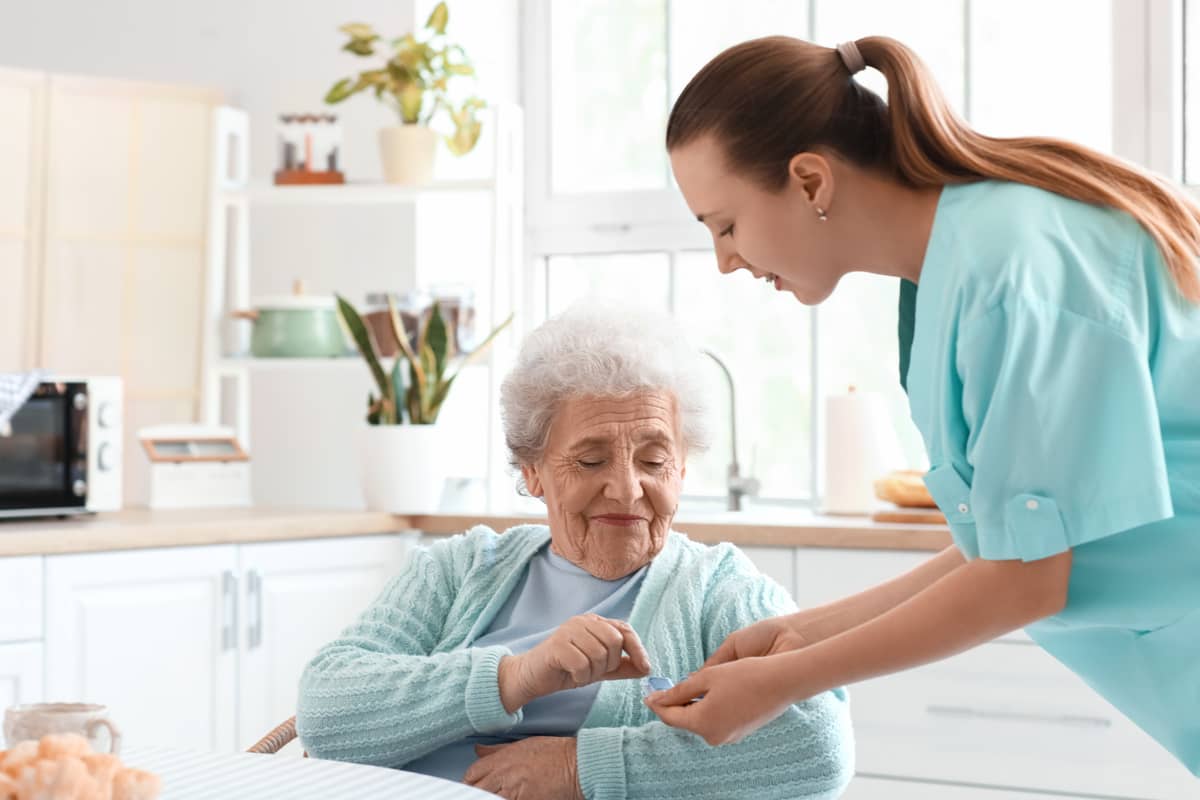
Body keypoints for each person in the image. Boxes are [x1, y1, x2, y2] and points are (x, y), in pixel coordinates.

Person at [646, 34, 1200, 778]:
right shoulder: (959, 269)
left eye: (725, 225)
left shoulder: (1011, 273)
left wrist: (780, 683)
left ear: (811, 181)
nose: (725, 260)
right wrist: (799, 636)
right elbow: (1006, 545)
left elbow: (1025, 579)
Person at [296, 304, 854, 800]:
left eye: (655, 462)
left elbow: (817, 745)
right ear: (532, 471)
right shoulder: (460, 567)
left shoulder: (719, 587)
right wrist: (516, 676)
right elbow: (325, 712)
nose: (628, 489)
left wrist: (582, 767)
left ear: (682, 469)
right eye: (591, 461)